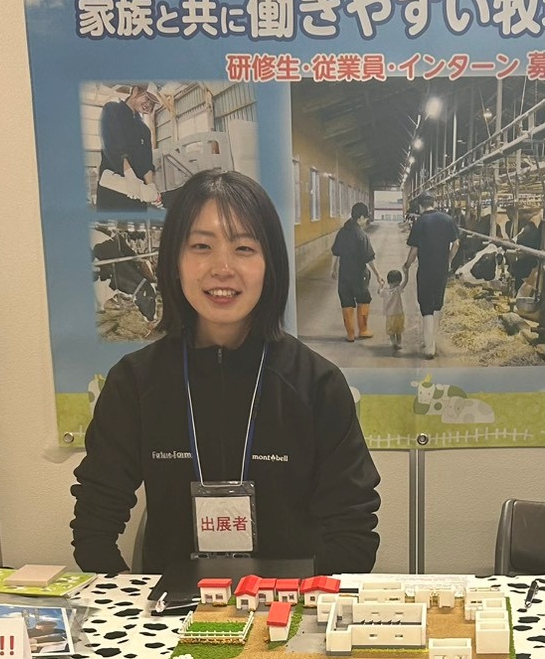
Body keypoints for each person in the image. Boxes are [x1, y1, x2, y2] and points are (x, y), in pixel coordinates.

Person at [72, 170, 380, 576]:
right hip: (173, 609)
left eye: (244, 248)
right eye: (201, 246)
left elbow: (353, 534)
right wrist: (136, 605)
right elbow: (94, 528)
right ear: (174, 261)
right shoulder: (135, 382)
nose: (222, 268)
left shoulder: (317, 385)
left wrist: (297, 606)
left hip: (289, 606)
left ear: (270, 264)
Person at [403, 194, 459, 359]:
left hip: (426, 269)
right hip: (441, 269)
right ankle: (432, 341)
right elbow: (456, 243)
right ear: (433, 203)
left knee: (426, 305)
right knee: (437, 304)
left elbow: (414, 249)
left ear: (420, 206)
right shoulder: (448, 219)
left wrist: (407, 265)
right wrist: (448, 260)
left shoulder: (420, 222)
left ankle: (429, 347)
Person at [95, 85, 162, 210]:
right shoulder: (111, 110)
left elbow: (147, 163)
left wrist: (152, 188)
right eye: (147, 99)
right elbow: (112, 145)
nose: (148, 104)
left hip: (137, 194)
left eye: (152, 103)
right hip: (113, 190)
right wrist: (130, 176)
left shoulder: (144, 130)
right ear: (135, 91)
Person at [330, 202, 382, 342]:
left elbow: (335, 252)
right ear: (361, 217)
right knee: (363, 299)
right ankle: (363, 330)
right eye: (366, 218)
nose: (366, 221)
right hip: (359, 275)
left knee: (346, 301)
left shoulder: (342, 232)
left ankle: (350, 334)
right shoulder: (362, 235)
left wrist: (332, 269)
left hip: (344, 274)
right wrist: (378, 275)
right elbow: (369, 258)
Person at [379, 269, 407, 354]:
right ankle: (399, 342)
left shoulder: (385, 291)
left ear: (388, 281)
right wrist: (406, 274)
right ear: (399, 281)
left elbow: (379, 291)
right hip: (399, 314)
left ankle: (394, 342)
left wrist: (381, 284)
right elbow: (405, 283)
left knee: (391, 331)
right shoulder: (397, 289)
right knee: (399, 331)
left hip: (390, 316)